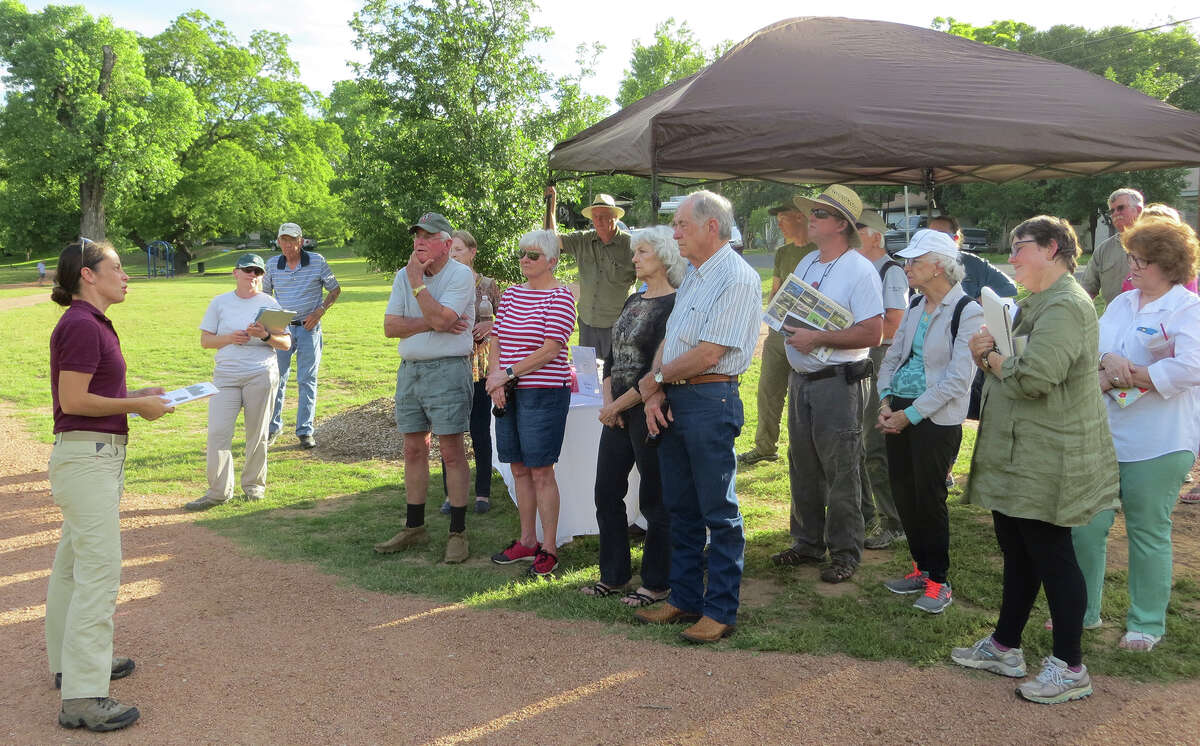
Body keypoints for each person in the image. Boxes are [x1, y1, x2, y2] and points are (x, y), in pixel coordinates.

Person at [953, 216, 1119, 705]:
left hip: (1049, 457)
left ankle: (1071, 666)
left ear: (1052, 249)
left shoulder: (1066, 305)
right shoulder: (1036, 303)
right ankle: (1006, 646)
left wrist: (989, 359)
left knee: (1052, 556)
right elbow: (1016, 364)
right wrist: (988, 351)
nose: (1013, 259)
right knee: (1019, 548)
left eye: (1020, 248)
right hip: (1021, 455)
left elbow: (1034, 377)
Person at [46, 238, 174, 732]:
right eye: (117, 267)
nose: (126, 275)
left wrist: (134, 394)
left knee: (73, 567)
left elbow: (91, 391)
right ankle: (82, 694)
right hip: (87, 460)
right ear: (87, 275)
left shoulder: (88, 322)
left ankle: (68, 665)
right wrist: (136, 407)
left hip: (86, 457)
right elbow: (74, 399)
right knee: (98, 573)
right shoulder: (80, 323)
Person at [633, 190, 761, 644]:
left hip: (711, 399)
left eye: (683, 224)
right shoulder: (693, 275)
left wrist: (655, 381)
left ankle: (721, 609)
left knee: (718, 511)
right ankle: (685, 597)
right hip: (677, 398)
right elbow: (674, 338)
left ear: (712, 226)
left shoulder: (737, 278)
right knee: (680, 507)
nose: (675, 232)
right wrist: (655, 390)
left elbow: (710, 352)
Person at [1070, 217, 1200, 652]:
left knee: (1147, 532)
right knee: (1086, 527)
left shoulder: (1188, 308)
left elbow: (1193, 366)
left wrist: (1140, 375)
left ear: (1169, 264)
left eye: (1142, 260)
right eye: (1132, 258)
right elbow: (1094, 348)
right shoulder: (1123, 303)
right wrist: (1108, 361)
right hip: (1106, 435)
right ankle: (1082, 612)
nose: (1133, 267)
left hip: (1159, 442)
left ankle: (1145, 623)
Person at [769, 185, 884, 584]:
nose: (810, 218)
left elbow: (873, 332)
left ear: (840, 224)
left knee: (841, 469)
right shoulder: (807, 264)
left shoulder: (860, 270)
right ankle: (807, 542)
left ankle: (845, 552)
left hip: (839, 382)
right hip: (803, 378)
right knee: (802, 463)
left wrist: (817, 338)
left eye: (819, 213)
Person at [875, 230, 982, 613]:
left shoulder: (968, 310)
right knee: (904, 492)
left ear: (939, 266)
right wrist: (885, 402)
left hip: (935, 418)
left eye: (915, 261)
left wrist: (909, 415)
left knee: (929, 497)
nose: (907, 267)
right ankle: (921, 568)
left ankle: (939, 580)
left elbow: (958, 379)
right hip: (900, 409)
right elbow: (892, 356)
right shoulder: (917, 305)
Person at [581, 225, 686, 607]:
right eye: (636, 252)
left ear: (663, 256)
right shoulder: (632, 300)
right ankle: (613, 575)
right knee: (606, 492)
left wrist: (616, 406)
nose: (635, 258)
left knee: (654, 501)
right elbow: (611, 356)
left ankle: (657, 582)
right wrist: (608, 398)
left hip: (649, 412)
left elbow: (655, 372)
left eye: (642, 252)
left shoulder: (675, 305)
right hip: (618, 411)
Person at [374, 213, 476, 564]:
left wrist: (418, 287)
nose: (419, 241)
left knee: (451, 451)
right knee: (413, 449)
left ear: (447, 244)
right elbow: (390, 327)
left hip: (448, 371)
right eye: (417, 235)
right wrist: (429, 320)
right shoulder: (403, 274)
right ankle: (414, 526)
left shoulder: (460, 275)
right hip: (410, 371)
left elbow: (447, 320)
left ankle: (457, 532)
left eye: (428, 236)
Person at [487, 229, 577, 576]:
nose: (525, 259)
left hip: (543, 393)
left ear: (552, 261)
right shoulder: (510, 295)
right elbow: (496, 338)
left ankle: (549, 548)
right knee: (519, 468)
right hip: (507, 391)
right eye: (522, 253)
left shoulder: (561, 298)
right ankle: (527, 541)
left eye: (534, 255)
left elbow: (551, 349)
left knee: (541, 471)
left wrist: (504, 375)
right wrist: (497, 379)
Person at [185, 254, 292, 511]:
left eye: (257, 271)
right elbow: (206, 341)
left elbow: (286, 343)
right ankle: (218, 492)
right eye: (247, 270)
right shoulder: (220, 302)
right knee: (218, 433)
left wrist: (265, 335)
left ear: (262, 276)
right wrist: (230, 338)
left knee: (257, 434)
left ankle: (254, 486)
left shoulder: (270, 303)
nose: (252, 275)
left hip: (261, 374)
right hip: (226, 376)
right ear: (236, 273)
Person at [738, 203, 816, 466]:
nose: (779, 225)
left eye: (783, 219)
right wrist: (771, 319)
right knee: (768, 390)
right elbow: (776, 289)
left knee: (803, 396)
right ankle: (765, 446)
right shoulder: (782, 252)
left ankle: (806, 449)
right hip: (778, 332)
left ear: (800, 217)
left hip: (808, 335)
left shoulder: (819, 250)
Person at [855, 209, 909, 549]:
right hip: (863, 355)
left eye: (857, 228)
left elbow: (894, 324)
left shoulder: (891, 272)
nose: (851, 233)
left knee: (875, 442)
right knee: (859, 442)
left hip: (880, 357)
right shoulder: (861, 269)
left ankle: (894, 521)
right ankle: (867, 515)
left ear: (875, 235)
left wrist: (848, 336)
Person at [438, 229, 502, 515]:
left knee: (479, 430)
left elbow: (508, 322)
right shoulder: (442, 286)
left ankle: (483, 493)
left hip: (481, 367)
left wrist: (491, 327)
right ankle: (452, 495)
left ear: (473, 252)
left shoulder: (488, 285)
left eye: (459, 250)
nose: (454, 256)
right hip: (451, 364)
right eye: (451, 251)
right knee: (450, 430)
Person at [262, 222, 340, 449]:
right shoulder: (272, 265)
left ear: (300, 241)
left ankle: (305, 431)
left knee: (307, 379)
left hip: (309, 327)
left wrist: (320, 311)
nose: (287, 245)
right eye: (283, 240)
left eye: (292, 240)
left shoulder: (317, 261)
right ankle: (272, 427)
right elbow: (265, 297)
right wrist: (269, 325)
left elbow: (335, 289)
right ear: (279, 242)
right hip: (281, 329)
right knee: (277, 378)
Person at [543, 188, 635, 360]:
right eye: (595, 216)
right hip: (586, 323)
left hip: (617, 326)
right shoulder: (583, 240)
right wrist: (551, 203)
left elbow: (650, 278)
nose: (598, 221)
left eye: (603, 216)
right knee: (587, 377)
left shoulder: (630, 245)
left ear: (615, 217)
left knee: (617, 377)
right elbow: (550, 239)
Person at [928, 215, 1018, 301]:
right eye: (930, 236)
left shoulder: (973, 264)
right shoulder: (920, 264)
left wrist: (980, 303)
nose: (935, 240)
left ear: (955, 238)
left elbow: (1010, 289)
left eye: (941, 236)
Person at [1080, 188, 1144, 305]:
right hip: (1114, 319)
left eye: (1121, 208)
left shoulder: (1156, 244)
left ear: (1138, 210)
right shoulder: (1104, 249)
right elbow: (1087, 289)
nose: (1115, 214)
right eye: (1112, 211)